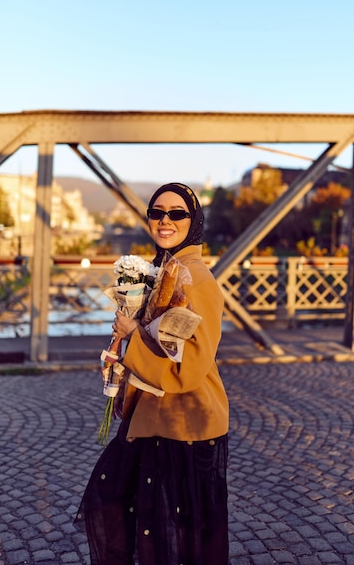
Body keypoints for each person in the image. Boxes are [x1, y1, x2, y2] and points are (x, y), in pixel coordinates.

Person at [76, 182, 229, 565]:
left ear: (193, 222)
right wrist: (123, 351)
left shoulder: (197, 278)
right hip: (150, 418)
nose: (165, 220)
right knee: (139, 523)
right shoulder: (164, 269)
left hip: (184, 425)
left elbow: (191, 367)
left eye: (177, 213)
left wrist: (134, 338)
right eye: (157, 211)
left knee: (174, 539)